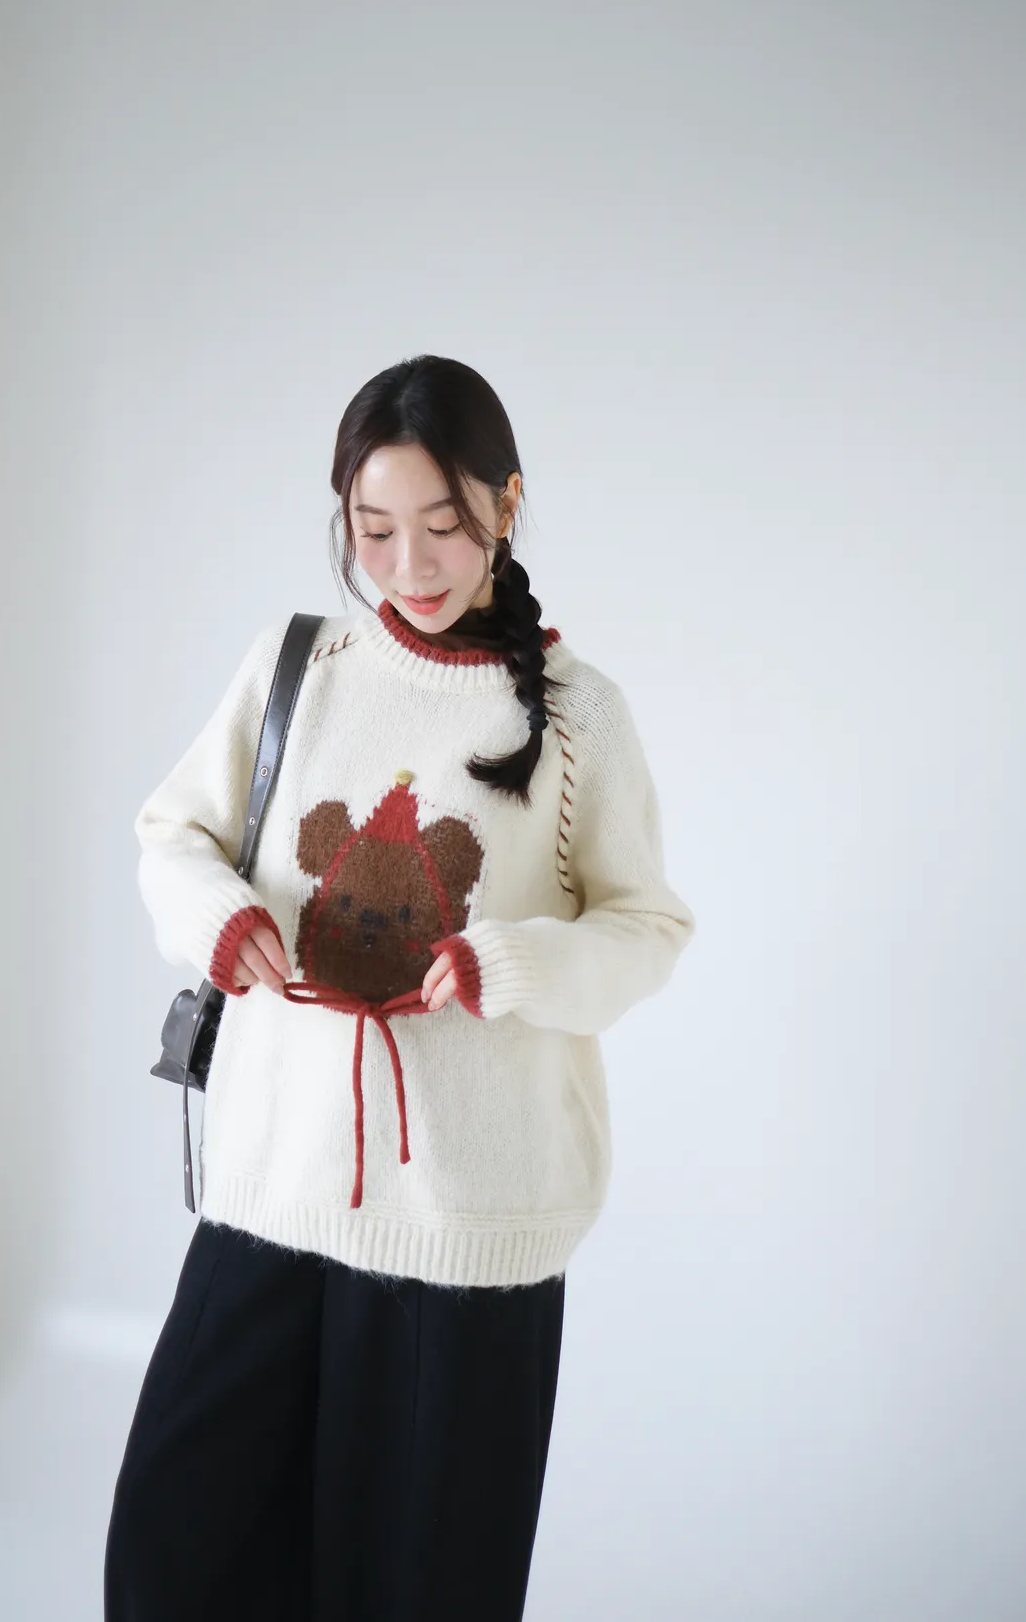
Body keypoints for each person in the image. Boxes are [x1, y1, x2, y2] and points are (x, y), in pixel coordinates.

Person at [103, 353, 696, 1620]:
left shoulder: (578, 718)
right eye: (374, 530)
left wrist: (510, 963)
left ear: (507, 504)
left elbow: (647, 930)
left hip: (467, 1235)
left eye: (444, 525)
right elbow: (173, 835)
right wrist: (216, 915)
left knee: (420, 1591)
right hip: (270, 1199)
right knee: (172, 1558)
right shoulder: (298, 665)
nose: (410, 566)